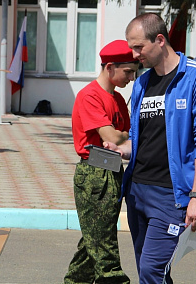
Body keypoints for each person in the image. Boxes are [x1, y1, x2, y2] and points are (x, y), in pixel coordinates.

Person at [105, 13, 196, 283]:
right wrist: (122, 149)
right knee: (151, 271)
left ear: (159, 40)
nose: (134, 55)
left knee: (152, 270)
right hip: (137, 192)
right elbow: (140, 138)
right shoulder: (143, 83)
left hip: (172, 197)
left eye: (138, 47)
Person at [64, 40, 139, 284]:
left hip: (113, 170)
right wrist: (124, 136)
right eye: (127, 71)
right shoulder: (90, 96)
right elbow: (114, 137)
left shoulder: (117, 100)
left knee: (92, 243)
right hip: (95, 173)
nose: (131, 77)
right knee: (104, 248)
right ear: (109, 67)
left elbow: (125, 138)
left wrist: (123, 137)